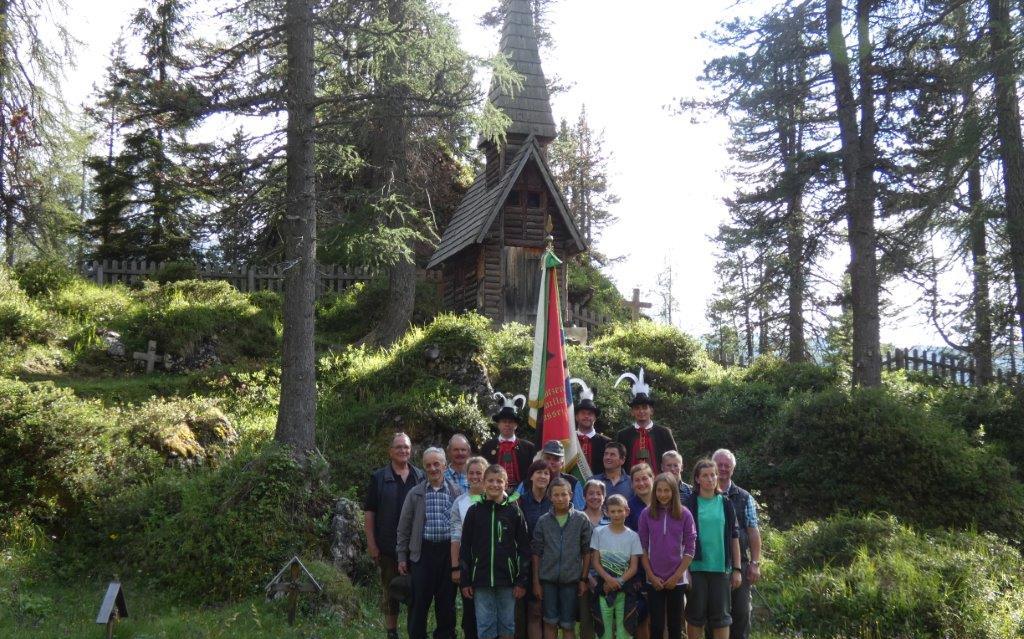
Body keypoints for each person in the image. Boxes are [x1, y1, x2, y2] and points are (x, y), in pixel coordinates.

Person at [397, 447, 463, 639]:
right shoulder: (415, 494)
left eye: (437, 464)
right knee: (418, 603)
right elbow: (403, 528)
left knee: (446, 604)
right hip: (423, 554)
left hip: (448, 554)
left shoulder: (456, 492)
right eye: (428, 465)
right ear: (424, 468)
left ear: (444, 465)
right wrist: (402, 556)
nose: (433, 468)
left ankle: (445, 635)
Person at [365, 433, 425, 639]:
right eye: (398, 447)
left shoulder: (420, 476)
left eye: (406, 447)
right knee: (390, 591)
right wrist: (372, 544)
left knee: (415, 592)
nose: (403, 451)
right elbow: (370, 512)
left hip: (416, 548)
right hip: (388, 547)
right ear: (390, 451)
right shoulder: (379, 478)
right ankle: (392, 632)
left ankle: (414, 631)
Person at [460, 464, 531, 639]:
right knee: (485, 625)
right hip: (481, 579)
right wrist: (465, 580)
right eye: (490, 481)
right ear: (483, 483)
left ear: (506, 484)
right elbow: (465, 547)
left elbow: (524, 547)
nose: (494, 485)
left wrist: (522, 581)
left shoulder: (514, 511)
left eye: (499, 481)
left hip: (508, 580)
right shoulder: (474, 511)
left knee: (507, 625)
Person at [683, 460, 742, 639]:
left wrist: (737, 569)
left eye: (713, 475)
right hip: (696, 568)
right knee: (695, 617)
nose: (710, 479)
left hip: (720, 569)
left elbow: (734, 537)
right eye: (705, 475)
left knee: (721, 618)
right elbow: (682, 541)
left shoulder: (725, 503)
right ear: (697, 479)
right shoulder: (688, 504)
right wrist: (685, 570)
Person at [532, 478, 593, 639]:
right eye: (556, 495)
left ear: (571, 495)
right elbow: (536, 553)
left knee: (568, 624)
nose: (560, 498)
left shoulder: (581, 519)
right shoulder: (543, 521)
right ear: (550, 497)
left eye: (564, 494)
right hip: (548, 581)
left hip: (571, 581)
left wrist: (583, 579)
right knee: (550, 622)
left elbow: (587, 551)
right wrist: (536, 582)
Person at [712, 450, 761, 639]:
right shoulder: (701, 495)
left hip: (740, 564)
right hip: (711, 565)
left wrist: (755, 563)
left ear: (733, 469)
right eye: (719, 465)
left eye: (727, 465)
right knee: (714, 615)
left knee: (741, 612)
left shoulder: (744, 496)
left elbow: (753, 530)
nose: (723, 469)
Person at [638, 474, 695, 639]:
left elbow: (690, 548)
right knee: (655, 625)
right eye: (659, 490)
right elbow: (642, 548)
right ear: (654, 491)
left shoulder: (685, 514)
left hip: (677, 579)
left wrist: (676, 576)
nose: (663, 494)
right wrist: (651, 575)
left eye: (667, 490)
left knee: (675, 625)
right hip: (654, 579)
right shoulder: (646, 514)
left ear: (674, 492)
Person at [590, 494, 643, 639]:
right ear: (606, 512)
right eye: (612, 511)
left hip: (625, 590)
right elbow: (595, 561)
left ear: (627, 511)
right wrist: (608, 579)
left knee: (624, 631)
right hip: (604, 589)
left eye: (620, 511)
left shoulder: (633, 536)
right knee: (604, 632)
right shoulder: (598, 533)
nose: (616, 515)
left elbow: (633, 567)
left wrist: (617, 582)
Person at [452, 456, 490, 639]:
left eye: (479, 473)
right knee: (470, 613)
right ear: (466, 476)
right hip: (468, 564)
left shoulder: (496, 499)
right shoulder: (459, 502)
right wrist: (456, 567)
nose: (475, 477)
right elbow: (455, 537)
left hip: (491, 565)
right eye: (471, 473)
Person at [613, 369, 677, 475]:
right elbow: (619, 463)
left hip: (660, 486)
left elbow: (674, 461)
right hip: (631, 485)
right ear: (632, 412)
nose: (641, 411)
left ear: (651, 410)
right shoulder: (623, 435)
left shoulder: (664, 432)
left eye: (644, 407)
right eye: (637, 408)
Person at [517, 460, 552, 639]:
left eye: (546, 473)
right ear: (531, 476)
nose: (543, 476)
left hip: (552, 564)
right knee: (532, 611)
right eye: (539, 472)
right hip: (528, 565)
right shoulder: (520, 502)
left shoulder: (555, 502)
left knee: (550, 615)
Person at [482, 393, 536, 488]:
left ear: (516, 425)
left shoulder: (529, 448)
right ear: (498, 424)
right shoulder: (487, 447)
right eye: (504, 422)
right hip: (493, 491)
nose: (507, 424)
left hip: (521, 494)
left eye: (510, 422)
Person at [517, 440, 585, 509]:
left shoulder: (573, 482)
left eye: (556, 459)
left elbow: (580, 510)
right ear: (541, 459)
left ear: (562, 463)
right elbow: (515, 505)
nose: (551, 462)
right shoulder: (526, 483)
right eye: (547, 458)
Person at [571, 378, 611, 474]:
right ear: (576, 417)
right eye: (583, 413)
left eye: (590, 414)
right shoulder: (569, 440)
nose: (586, 416)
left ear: (595, 418)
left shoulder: (606, 442)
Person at [625, 463, 654, 533]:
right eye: (637, 480)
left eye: (645, 479)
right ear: (632, 484)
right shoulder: (628, 508)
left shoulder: (663, 502)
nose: (641, 483)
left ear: (653, 479)